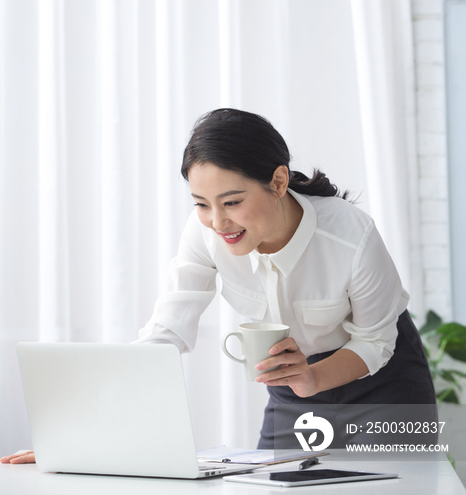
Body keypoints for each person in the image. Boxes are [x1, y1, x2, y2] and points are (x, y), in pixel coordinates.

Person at [1, 108, 436, 464]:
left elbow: (377, 341)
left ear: (279, 182)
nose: (217, 221)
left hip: (382, 381)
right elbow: (165, 334)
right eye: (201, 204)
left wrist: (313, 377)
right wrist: (80, 439)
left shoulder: (350, 236)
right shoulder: (205, 231)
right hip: (292, 385)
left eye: (232, 202)